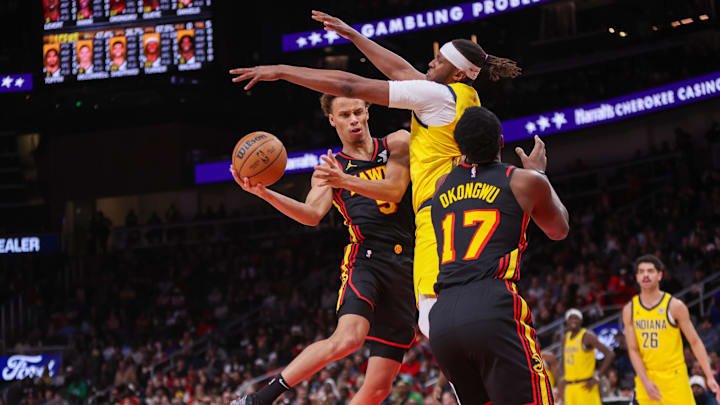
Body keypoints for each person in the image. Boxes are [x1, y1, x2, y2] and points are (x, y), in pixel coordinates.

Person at [231, 11, 521, 341]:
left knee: (435, 319)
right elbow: (399, 71)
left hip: (438, 213)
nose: (430, 62)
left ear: (455, 72)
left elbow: (350, 85)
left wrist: (282, 71)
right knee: (449, 315)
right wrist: (354, 36)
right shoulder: (461, 94)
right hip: (461, 205)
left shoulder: (435, 96)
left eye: (437, 60)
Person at [230, 95, 415, 405]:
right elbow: (312, 215)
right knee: (348, 338)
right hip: (367, 259)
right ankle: (260, 399)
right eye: (345, 114)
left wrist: (344, 180)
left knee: (379, 388)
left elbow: (395, 190)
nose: (354, 119)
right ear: (333, 120)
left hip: (409, 265)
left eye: (358, 111)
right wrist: (265, 194)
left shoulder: (397, 142)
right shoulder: (330, 169)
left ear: (368, 111)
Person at [428, 106, 568, 403]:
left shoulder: (441, 186)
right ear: (501, 142)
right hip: (491, 304)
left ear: (459, 147)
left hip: (443, 318)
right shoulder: (522, 181)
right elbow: (559, 229)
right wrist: (539, 173)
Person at [622, 254, 720, 404]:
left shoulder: (675, 306)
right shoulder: (629, 309)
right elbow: (633, 350)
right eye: (641, 272)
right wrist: (645, 380)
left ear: (660, 275)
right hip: (647, 379)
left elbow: (695, 342)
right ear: (636, 277)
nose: (645, 275)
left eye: (650, 271)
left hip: (674, 377)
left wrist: (710, 376)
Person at [558, 308, 615, 405]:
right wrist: (561, 380)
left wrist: (597, 378)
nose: (573, 321)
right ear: (567, 321)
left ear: (581, 320)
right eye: (570, 318)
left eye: (576, 318)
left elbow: (610, 354)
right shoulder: (565, 338)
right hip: (569, 387)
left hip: (585, 386)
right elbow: (564, 361)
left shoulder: (587, 336)